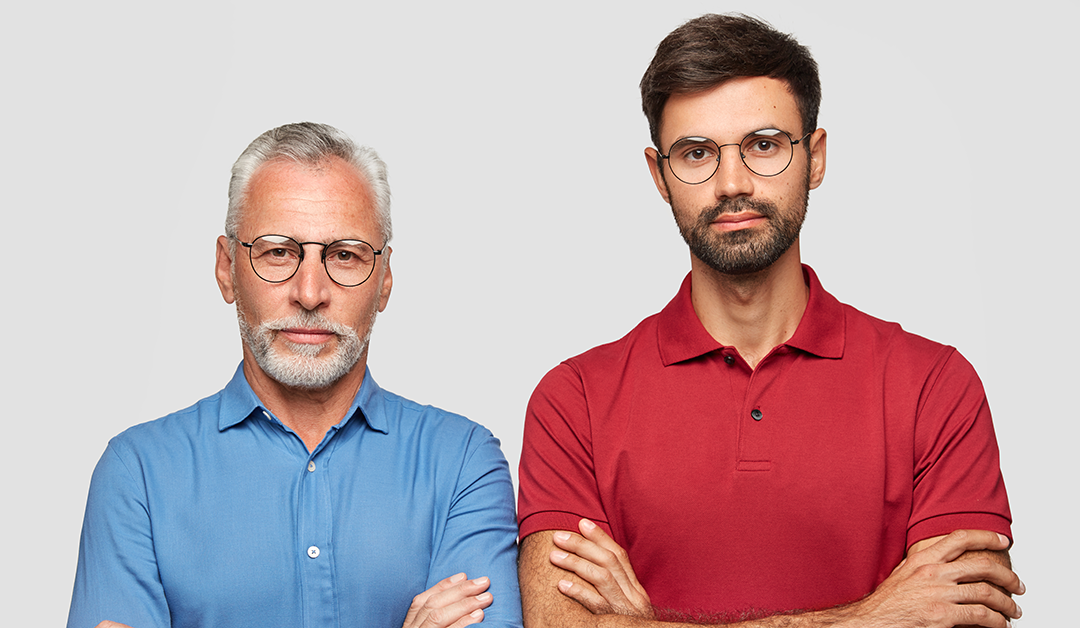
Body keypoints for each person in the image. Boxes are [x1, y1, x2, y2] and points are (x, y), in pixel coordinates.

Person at [517, 14, 1022, 628]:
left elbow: (962, 617)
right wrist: (872, 617)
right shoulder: (574, 401)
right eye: (697, 153)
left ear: (814, 157)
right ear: (659, 176)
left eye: (763, 145)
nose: (733, 184)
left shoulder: (935, 386)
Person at [67, 122, 522, 628]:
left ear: (385, 280)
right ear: (226, 268)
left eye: (345, 255)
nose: (309, 293)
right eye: (278, 252)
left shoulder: (463, 463)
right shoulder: (137, 476)